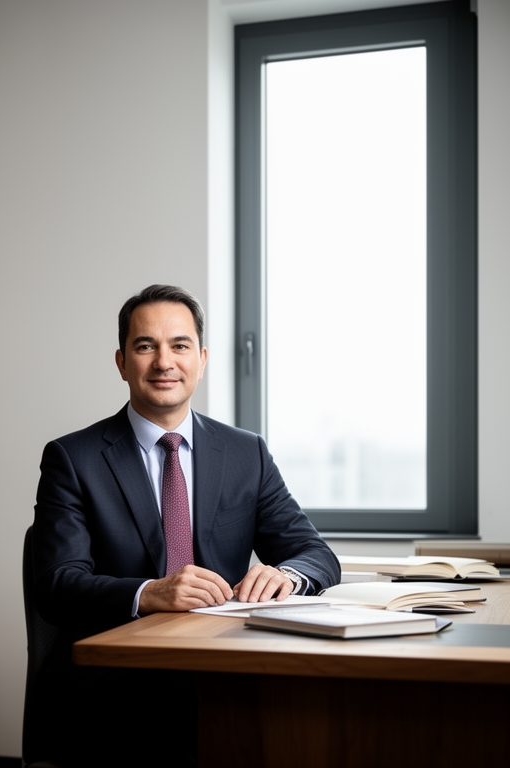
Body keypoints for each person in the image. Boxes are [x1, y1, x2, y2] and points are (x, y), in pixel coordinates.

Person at [28, 284, 340, 767]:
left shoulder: (245, 452)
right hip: (118, 685)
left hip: (226, 668)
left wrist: (287, 574)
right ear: (121, 361)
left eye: (179, 345)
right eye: (145, 345)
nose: (163, 362)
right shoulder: (73, 458)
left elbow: (314, 554)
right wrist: (149, 593)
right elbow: (56, 584)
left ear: (202, 357)